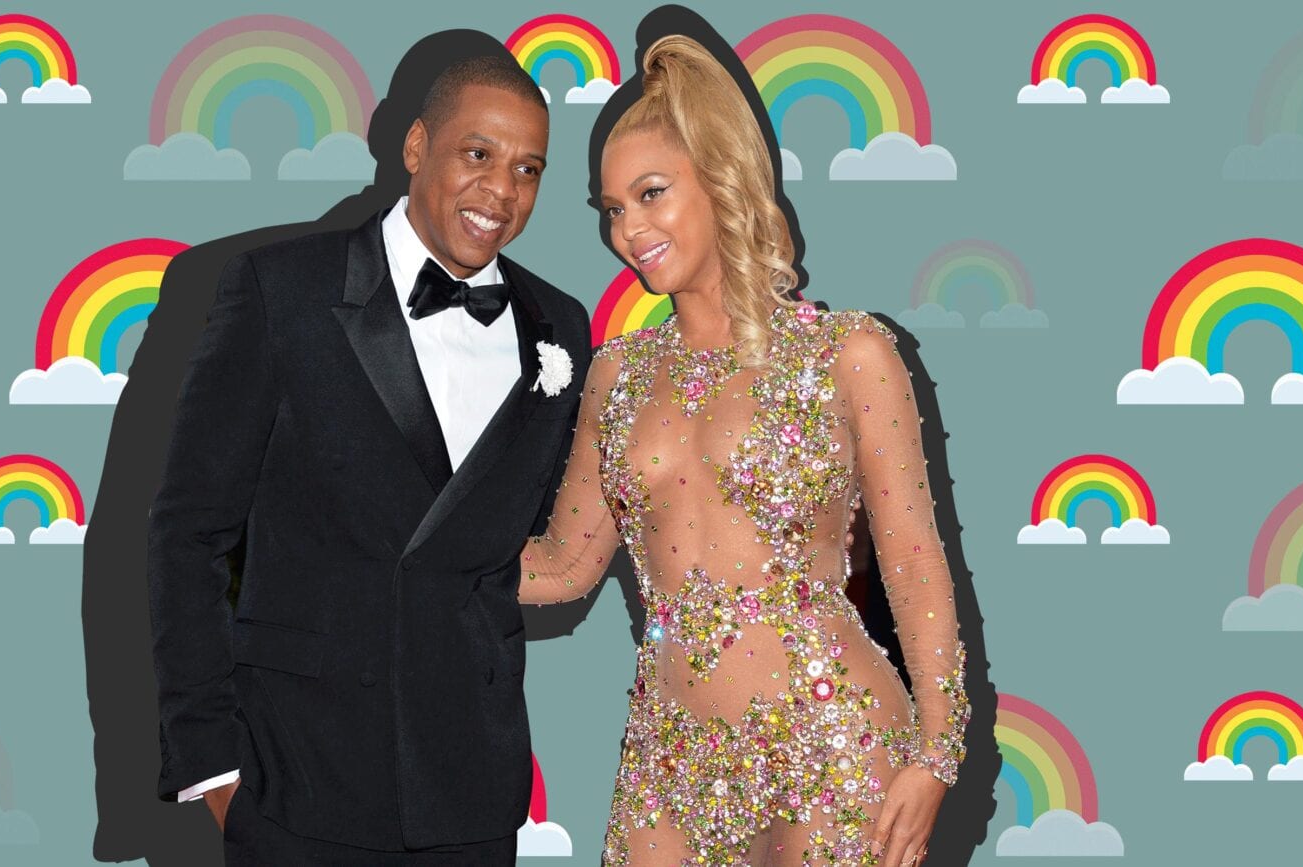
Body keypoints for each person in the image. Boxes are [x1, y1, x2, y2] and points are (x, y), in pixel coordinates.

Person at [517, 34, 970, 867]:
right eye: (612, 209)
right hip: (670, 763)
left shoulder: (849, 354)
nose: (629, 229)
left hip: (835, 746)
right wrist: (404, 549)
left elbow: (911, 558)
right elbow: (565, 563)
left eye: (651, 194)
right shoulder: (616, 375)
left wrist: (936, 752)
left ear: (722, 177)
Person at [146, 52, 592, 865]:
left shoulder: (559, 325)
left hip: (470, 787)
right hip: (297, 777)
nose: (501, 191)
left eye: (528, 169)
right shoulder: (281, 289)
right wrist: (214, 768)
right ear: (417, 146)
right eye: (478, 153)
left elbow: (533, 537)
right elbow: (188, 532)